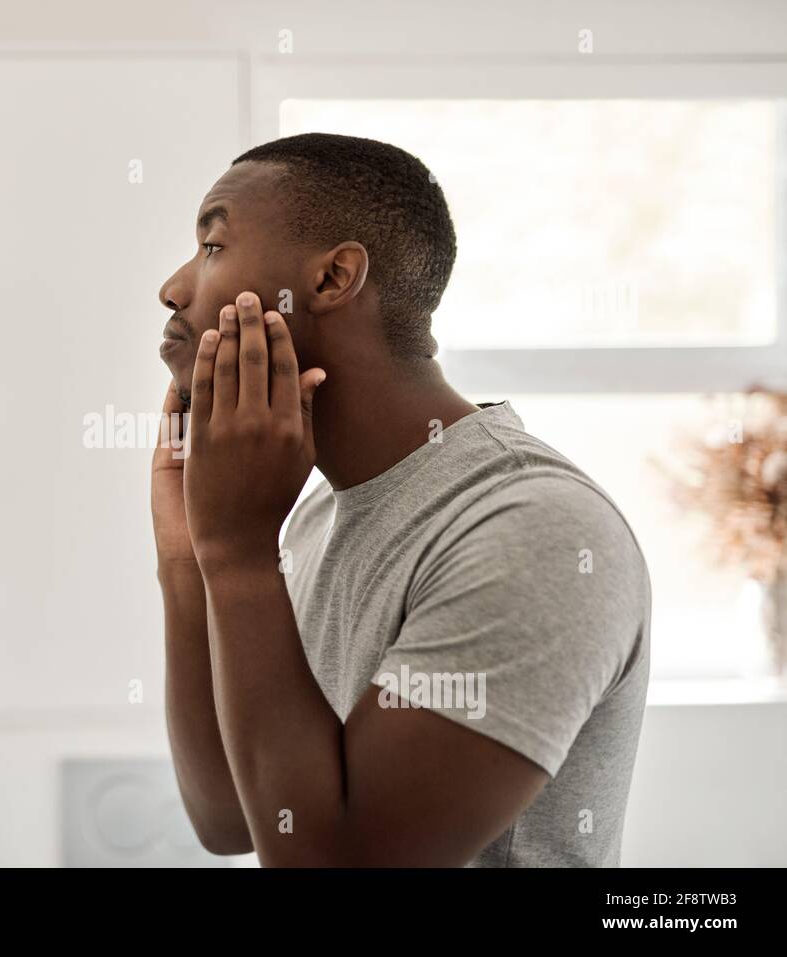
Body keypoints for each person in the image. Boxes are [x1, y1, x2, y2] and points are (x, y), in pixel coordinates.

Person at [153, 132, 650, 866]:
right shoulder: (318, 518)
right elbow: (231, 816)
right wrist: (187, 552)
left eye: (213, 245)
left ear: (332, 278)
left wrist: (237, 555)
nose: (174, 286)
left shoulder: (533, 529)